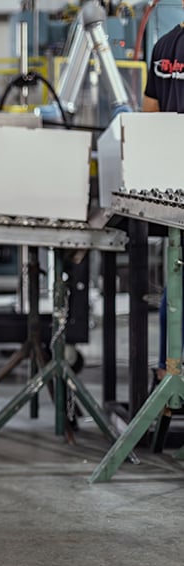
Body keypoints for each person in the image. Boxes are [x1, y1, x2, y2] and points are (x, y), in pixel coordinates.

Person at [143, 10, 184, 383]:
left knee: (177, 280)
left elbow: (150, 113)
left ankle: (167, 369)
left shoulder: (163, 46)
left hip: (172, 182)